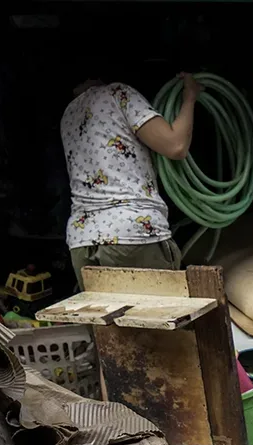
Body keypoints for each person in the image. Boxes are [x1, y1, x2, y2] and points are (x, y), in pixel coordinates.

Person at [60, 73, 199, 288]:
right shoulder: (118, 94)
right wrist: (190, 98)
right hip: (132, 233)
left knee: (108, 320)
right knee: (155, 317)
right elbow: (175, 146)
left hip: (83, 239)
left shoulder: (68, 113)